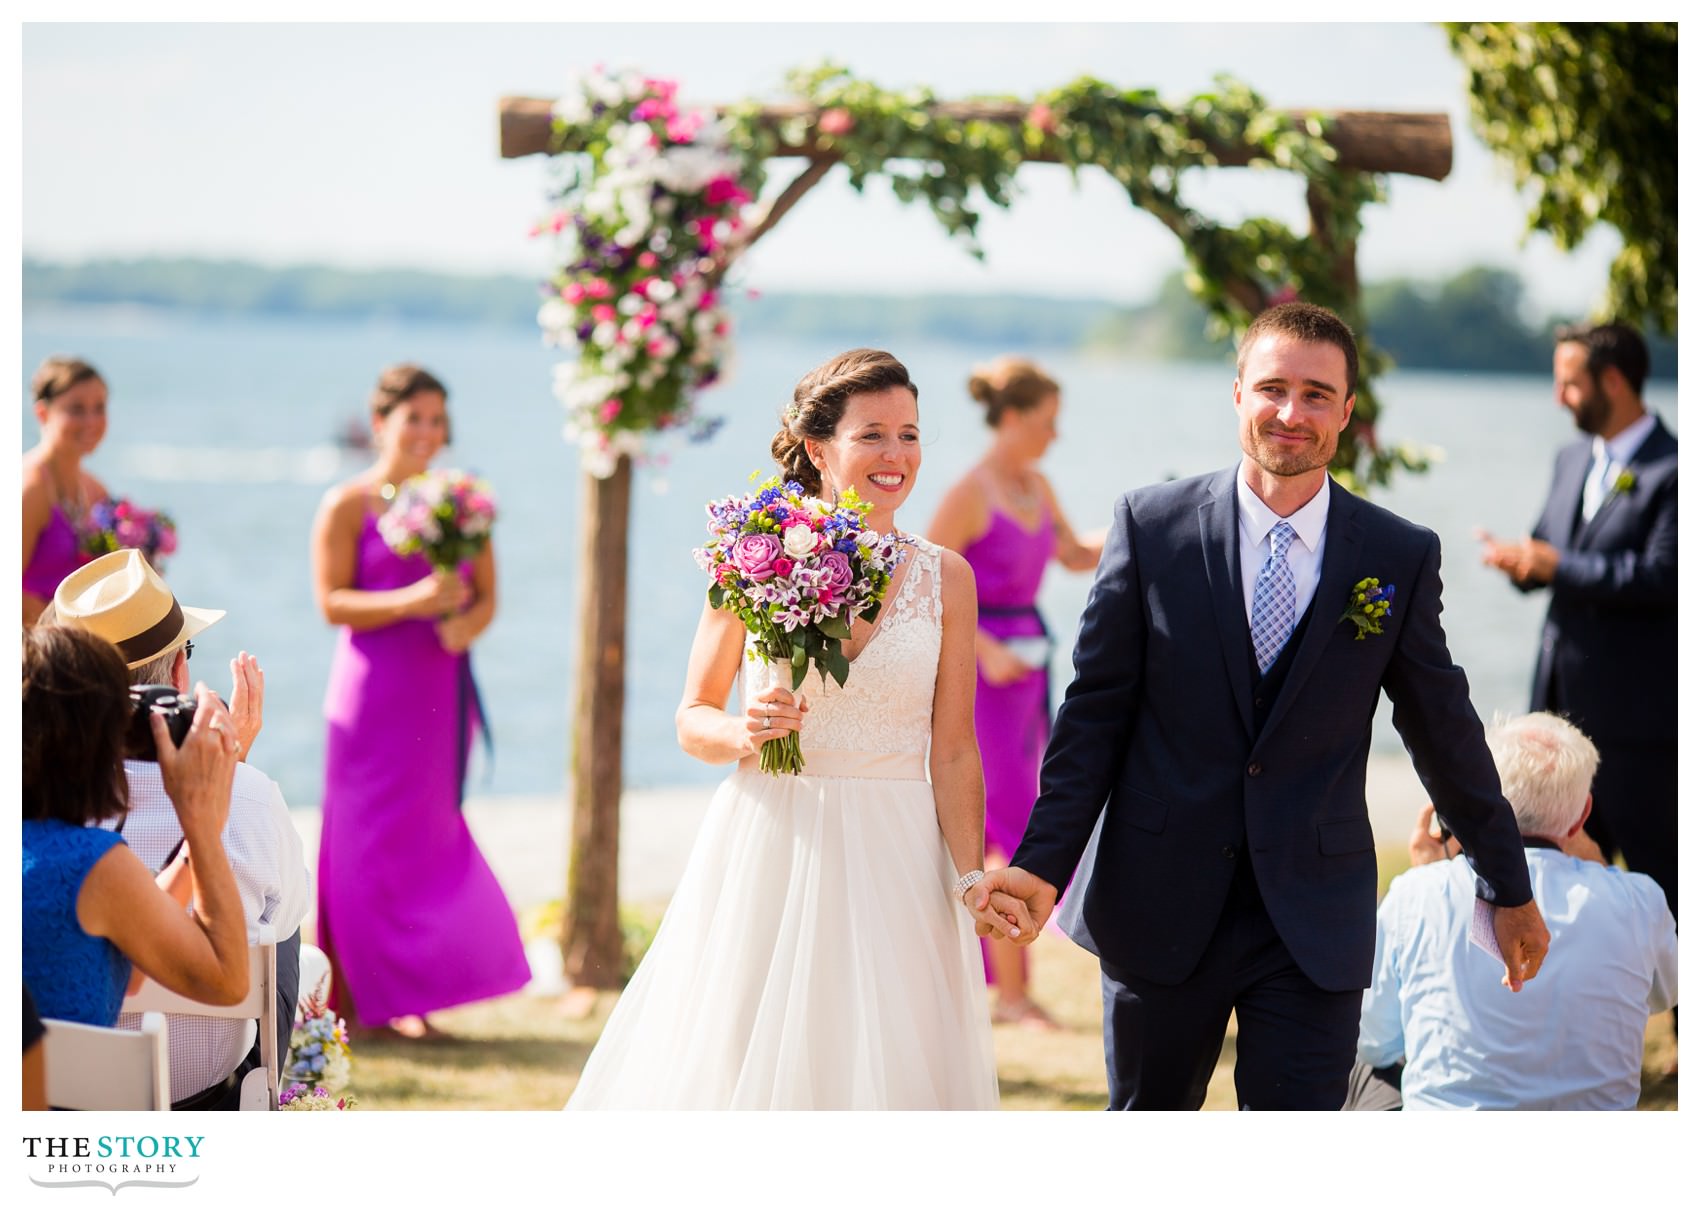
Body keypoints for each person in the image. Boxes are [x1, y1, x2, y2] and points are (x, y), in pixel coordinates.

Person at [978, 301, 1548, 1110]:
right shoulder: (1150, 527)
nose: (1292, 413)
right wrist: (1041, 864)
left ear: (1348, 412)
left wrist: (1509, 883)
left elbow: (1443, 730)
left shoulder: (1398, 553)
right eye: (1273, 388)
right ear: (1238, 393)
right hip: (1159, 903)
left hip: (1311, 920)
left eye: (1317, 394)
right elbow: (1094, 716)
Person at [566, 348, 1020, 1110]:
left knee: (887, 1070)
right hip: (776, 840)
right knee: (752, 1063)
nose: (896, 455)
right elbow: (693, 717)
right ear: (818, 447)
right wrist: (747, 733)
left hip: (899, 852)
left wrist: (969, 875)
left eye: (909, 434)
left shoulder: (948, 577)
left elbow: (952, 749)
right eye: (872, 434)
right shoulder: (753, 557)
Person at [310, 363, 528, 1039]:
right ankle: (362, 1000)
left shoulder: (462, 501)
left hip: (438, 694)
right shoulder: (345, 504)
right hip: (371, 694)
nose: (428, 433)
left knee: (425, 841)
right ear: (382, 424)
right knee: (361, 839)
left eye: (438, 420)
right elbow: (330, 602)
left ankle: (416, 1000)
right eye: (415, 419)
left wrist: (466, 625)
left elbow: (488, 595)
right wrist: (410, 602)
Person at [52, 549, 312, 1110]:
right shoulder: (252, 796)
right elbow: (288, 912)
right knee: (282, 928)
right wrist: (235, 774)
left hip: (56, 1091)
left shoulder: (41, 806)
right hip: (203, 1096)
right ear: (176, 674)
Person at [1348, 713, 1677, 1110]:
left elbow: (1374, 1041)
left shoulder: (1417, 892)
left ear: (1483, 794)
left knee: (1355, 1062)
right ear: (1583, 816)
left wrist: (1434, 873)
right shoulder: (1640, 900)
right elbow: (1664, 996)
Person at [1477, 322, 1677, 924]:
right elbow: (1551, 552)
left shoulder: (1676, 470)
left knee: (1664, 885)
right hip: (1561, 714)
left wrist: (1557, 564)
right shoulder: (1570, 458)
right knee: (1556, 880)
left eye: (1570, 383)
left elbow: (1664, 579)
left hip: (1642, 727)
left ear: (1612, 381)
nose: (1559, 397)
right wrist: (1521, 563)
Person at [927, 355, 1102, 1029]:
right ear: (1014, 417)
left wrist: (1139, 527)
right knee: (1002, 818)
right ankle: (1011, 995)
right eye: (1047, 421)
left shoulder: (1039, 484)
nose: (1054, 435)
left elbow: (1075, 556)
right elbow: (923, 580)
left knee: (1027, 805)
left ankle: (1004, 986)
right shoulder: (971, 491)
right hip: (981, 672)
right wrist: (986, 650)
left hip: (1031, 672)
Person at [22, 624, 249, 1028]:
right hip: (62, 1093)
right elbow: (228, 982)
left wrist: (193, 849)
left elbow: (134, 963)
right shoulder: (92, 866)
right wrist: (200, 824)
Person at [22, 356, 108, 626]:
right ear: (43, 413)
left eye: (99, 407)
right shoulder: (31, 488)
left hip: (72, 655)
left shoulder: (95, 490)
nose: (91, 420)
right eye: (76, 409)